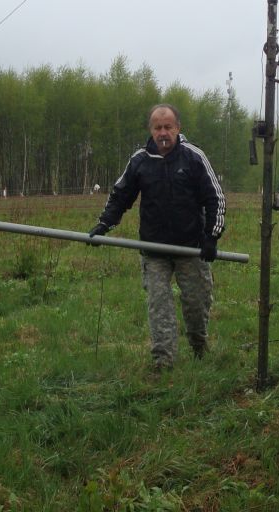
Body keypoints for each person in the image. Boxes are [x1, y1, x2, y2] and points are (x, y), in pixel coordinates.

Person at [88, 103, 226, 370]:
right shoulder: (140, 160)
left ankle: (199, 347)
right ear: (151, 130)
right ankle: (164, 362)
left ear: (178, 128)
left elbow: (215, 198)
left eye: (168, 127)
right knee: (159, 306)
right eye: (157, 128)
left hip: (191, 248)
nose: (163, 133)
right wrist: (105, 223)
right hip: (154, 250)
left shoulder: (194, 157)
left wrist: (211, 236)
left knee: (196, 304)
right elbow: (121, 195)